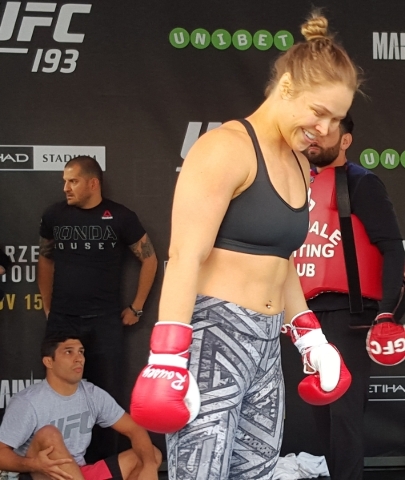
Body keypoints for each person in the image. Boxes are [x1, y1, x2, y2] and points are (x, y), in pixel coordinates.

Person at [130, 11, 361, 480]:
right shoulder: (225, 148)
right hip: (213, 338)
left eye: (336, 119)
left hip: (267, 343)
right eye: (319, 112)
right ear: (287, 86)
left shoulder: (300, 163)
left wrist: (310, 335)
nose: (326, 129)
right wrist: (168, 355)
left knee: (258, 473)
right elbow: (185, 256)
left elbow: (281, 259)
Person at [297, 113, 404, 480]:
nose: (315, 139)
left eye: (327, 134)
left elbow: (393, 248)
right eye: (312, 133)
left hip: (351, 314)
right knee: (323, 413)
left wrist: (387, 314)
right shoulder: (299, 185)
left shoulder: (361, 182)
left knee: (344, 413)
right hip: (308, 317)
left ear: (345, 141)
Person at [37, 155, 158, 458]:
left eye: (73, 181)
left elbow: (149, 259)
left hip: (104, 323)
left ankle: (104, 466)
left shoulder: (120, 217)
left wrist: (137, 307)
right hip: (63, 322)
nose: (66, 187)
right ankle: (57, 464)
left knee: (107, 398)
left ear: (93, 183)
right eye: (65, 181)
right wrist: (48, 306)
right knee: (55, 395)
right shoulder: (54, 215)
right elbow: (45, 259)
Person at [0, 333, 161, 480]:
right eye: (68, 352)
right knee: (49, 434)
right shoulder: (27, 402)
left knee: (150, 455)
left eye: (81, 352)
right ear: (49, 361)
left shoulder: (92, 394)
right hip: (43, 474)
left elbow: (134, 429)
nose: (79, 358)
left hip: (80, 472)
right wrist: (33, 464)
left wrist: (149, 467)